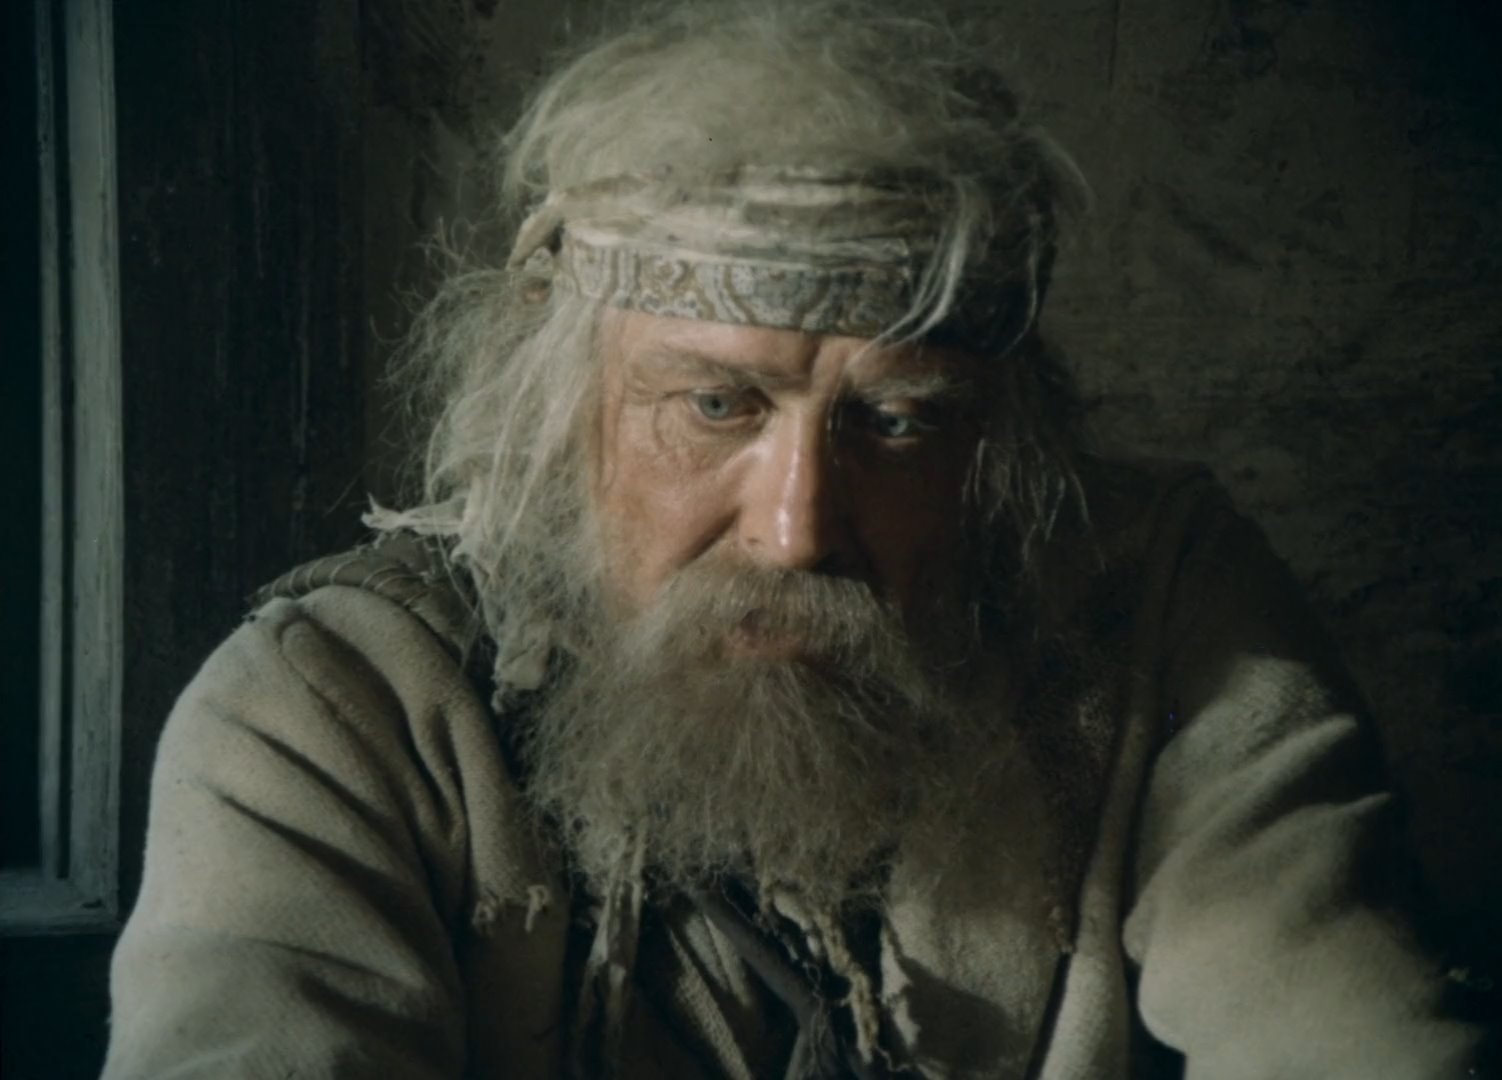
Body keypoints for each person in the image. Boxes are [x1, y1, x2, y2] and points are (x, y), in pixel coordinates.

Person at [102, 2, 1494, 1077]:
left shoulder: (1156, 609)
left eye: (897, 422)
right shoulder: (330, 706)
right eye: (714, 405)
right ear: (553, 406)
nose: (794, 531)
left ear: (1000, 445)